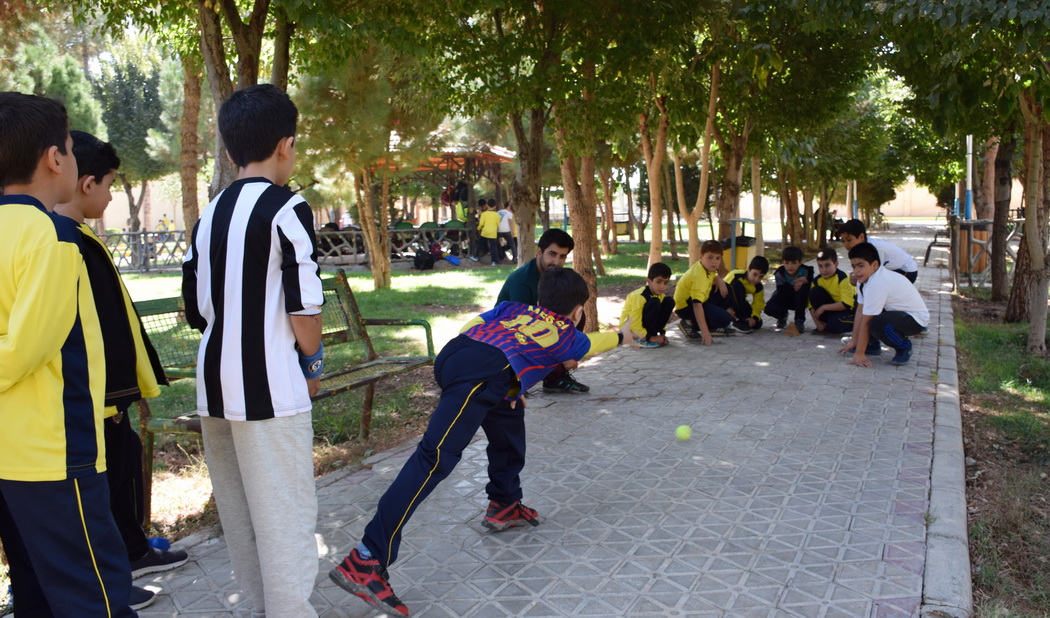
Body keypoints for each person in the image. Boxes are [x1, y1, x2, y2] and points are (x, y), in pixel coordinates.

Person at [328, 268, 635, 616]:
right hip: (480, 375)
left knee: (508, 413)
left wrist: (507, 378)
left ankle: (504, 503)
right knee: (433, 459)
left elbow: (470, 327)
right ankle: (366, 558)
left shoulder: (513, 308)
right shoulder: (568, 335)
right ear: (578, 310)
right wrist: (623, 336)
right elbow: (593, 345)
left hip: (458, 355)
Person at [182, 84, 323, 617]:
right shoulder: (288, 208)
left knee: (241, 518)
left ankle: (256, 609)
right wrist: (312, 363)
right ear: (286, 145)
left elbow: (197, 309)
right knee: (284, 514)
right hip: (271, 389)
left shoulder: (210, 214)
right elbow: (304, 310)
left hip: (214, 387)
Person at [0, 92, 136, 617]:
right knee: (96, 596)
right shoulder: (52, 238)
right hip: (58, 453)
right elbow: (24, 351)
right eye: (71, 149)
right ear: (55, 159)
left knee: (37, 589)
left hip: (14, 453)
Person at [55, 131, 190, 608]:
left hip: (111, 398)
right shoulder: (61, 244)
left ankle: (129, 552)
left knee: (124, 472)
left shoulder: (81, 239)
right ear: (85, 182)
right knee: (101, 492)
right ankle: (110, 581)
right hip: (92, 401)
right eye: (109, 183)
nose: (112, 194)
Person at [496, 229, 590, 394]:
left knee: (578, 316)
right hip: (510, 335)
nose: (556, 261)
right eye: (552, 254)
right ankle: (514, 378)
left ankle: (554, 379)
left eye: (562, 256)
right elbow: (517, 325)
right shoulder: (522, 282)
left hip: (538, 329)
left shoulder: (556, 277)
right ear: (539, 252)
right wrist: (564, 356)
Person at [838, 242, 929, 367]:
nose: (857, 271)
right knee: (872, 315)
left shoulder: (877, 283)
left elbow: (866, 321)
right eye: (854, 267)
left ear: (874, 265)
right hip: (895, 314)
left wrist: (859, 354)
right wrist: (854, 341)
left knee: (878, 324)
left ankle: (904, 346)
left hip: (915, 319)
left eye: (861, 266)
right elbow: (860, 311)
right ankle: (872, 345)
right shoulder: (864, 280)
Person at [673, 239, 735, 345]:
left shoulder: (706, 268)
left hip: (699, 300)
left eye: (717, 258)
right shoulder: (699, 275)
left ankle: (711, 324)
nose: (714, 261)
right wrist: (705, 333)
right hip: (686, 307)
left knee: (726, 288)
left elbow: (711, 279)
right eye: (710, 257)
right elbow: (696, 304)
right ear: (701, 257)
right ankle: (689, 323)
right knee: (725, 319)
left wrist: (718, 280)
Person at [839, 218, 918, 283]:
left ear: (861, 237)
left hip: (906, 271)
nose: (846, 245)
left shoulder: (876, 249)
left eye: (849, 240)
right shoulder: (861, 249)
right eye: (843, 241)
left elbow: (875, 274)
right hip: (889, 271)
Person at [619, 262, 676, 347]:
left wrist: (662, 333)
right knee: (654, 302)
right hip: (630, 330)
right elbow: (634, 323)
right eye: (658, 282)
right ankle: (642, 338)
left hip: (644, 328)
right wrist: (649, 338)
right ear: (649, 281)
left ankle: (651, 335)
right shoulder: (639, 296)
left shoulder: (661, 296)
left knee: (669, 301)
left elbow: (661, 317)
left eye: (665, 283)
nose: (662, 286)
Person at [763, 246, 814, 333]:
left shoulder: (806, 271)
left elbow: (814, 283)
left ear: (800, 262)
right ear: (783, 262)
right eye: (786, 263)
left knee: (802, 290)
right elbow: (781, 291)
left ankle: (799, 320)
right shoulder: (779, 273)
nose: (790, 266)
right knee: (769, 308)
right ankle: (782, 316)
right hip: (784, 297)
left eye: (794, 263)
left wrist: (805, 281)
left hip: (801, 299)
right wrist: (796, 283)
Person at [714, 255, 769, 333]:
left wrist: (754, 318)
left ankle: (740, 321)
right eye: (755, 274)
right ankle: (734, 320)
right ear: (748, 269)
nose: (757, 279)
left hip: (741, 303)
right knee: (737, 285)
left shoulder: (758, 287)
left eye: (760, 277)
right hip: (727, 302)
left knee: (758, 323)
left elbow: (758, 303)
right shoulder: (735, 275)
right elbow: (721, 290)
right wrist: (726, 307)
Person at [808, 247, 857, 335]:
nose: (824, 270)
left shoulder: (843, 278)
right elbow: (810, 305)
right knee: (814, 292)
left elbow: (847, 304)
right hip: (832, 311)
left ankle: (862, 322)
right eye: (820, 266)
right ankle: (826, 324)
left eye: (827, 265)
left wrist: (823, 308)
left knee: (834, 326)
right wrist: (818, 323)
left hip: (849, 310)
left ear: (836, 264)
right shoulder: (817, 281)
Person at [478, 199, 502, 265]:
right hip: (493, 233)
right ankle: (494, 261)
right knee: (493, 247)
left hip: (485, 232)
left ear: (487, 205)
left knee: (480, 244)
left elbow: (481, 224)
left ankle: (475, 255)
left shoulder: (484, 214)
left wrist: (478, 228)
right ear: (495, 206)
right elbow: (498, 224)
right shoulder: (496, 215)